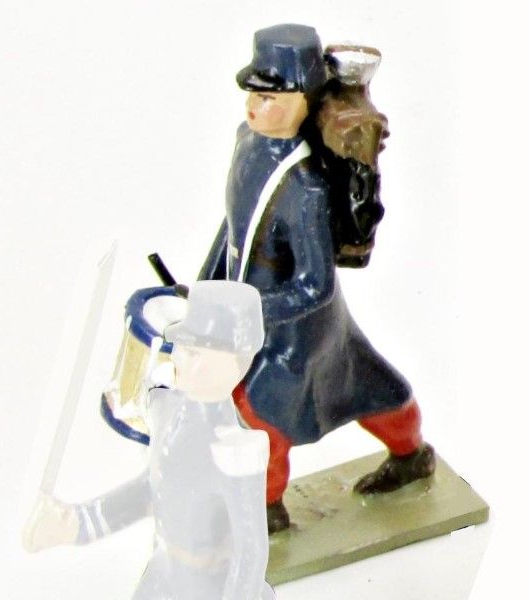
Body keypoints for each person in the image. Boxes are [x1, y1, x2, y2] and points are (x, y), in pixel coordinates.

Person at [198, 24, 436, 534]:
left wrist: (251, 310)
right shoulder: (247, 144)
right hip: (249, 303)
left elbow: (315, 286)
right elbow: (234, 227)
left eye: (270, 98)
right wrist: (204, 287)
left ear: (304, 103)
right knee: (364, 381)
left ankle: (266, 510)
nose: (255, 107)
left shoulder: (304, 190)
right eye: (254, 94)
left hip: (296, 328)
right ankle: (410, 452)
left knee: (260, 410)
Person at [23, 281, 275, 600]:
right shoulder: (167, 409)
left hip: (210, 588)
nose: (177, 358)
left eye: (193, 353)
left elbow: (250, 551)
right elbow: (153, 488)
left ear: (236, 363)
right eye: (181, 347)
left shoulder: (235, 452)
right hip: (163, 578)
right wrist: (78, 524)